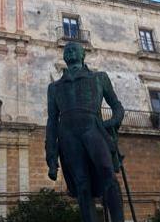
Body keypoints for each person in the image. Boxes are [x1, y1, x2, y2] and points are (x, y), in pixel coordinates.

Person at [45, 42, 125, 222]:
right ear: (64, 57)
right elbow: (52, 121)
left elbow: (117, 106)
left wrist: (112, 122)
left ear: (83, 55)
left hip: (93, 128)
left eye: (75, 49)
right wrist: (51, 153)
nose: (70, 51)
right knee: (81, 183)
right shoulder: (54, 87)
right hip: (68, 135)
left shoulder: (99, 77)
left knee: (108, 174)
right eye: (67, 50)